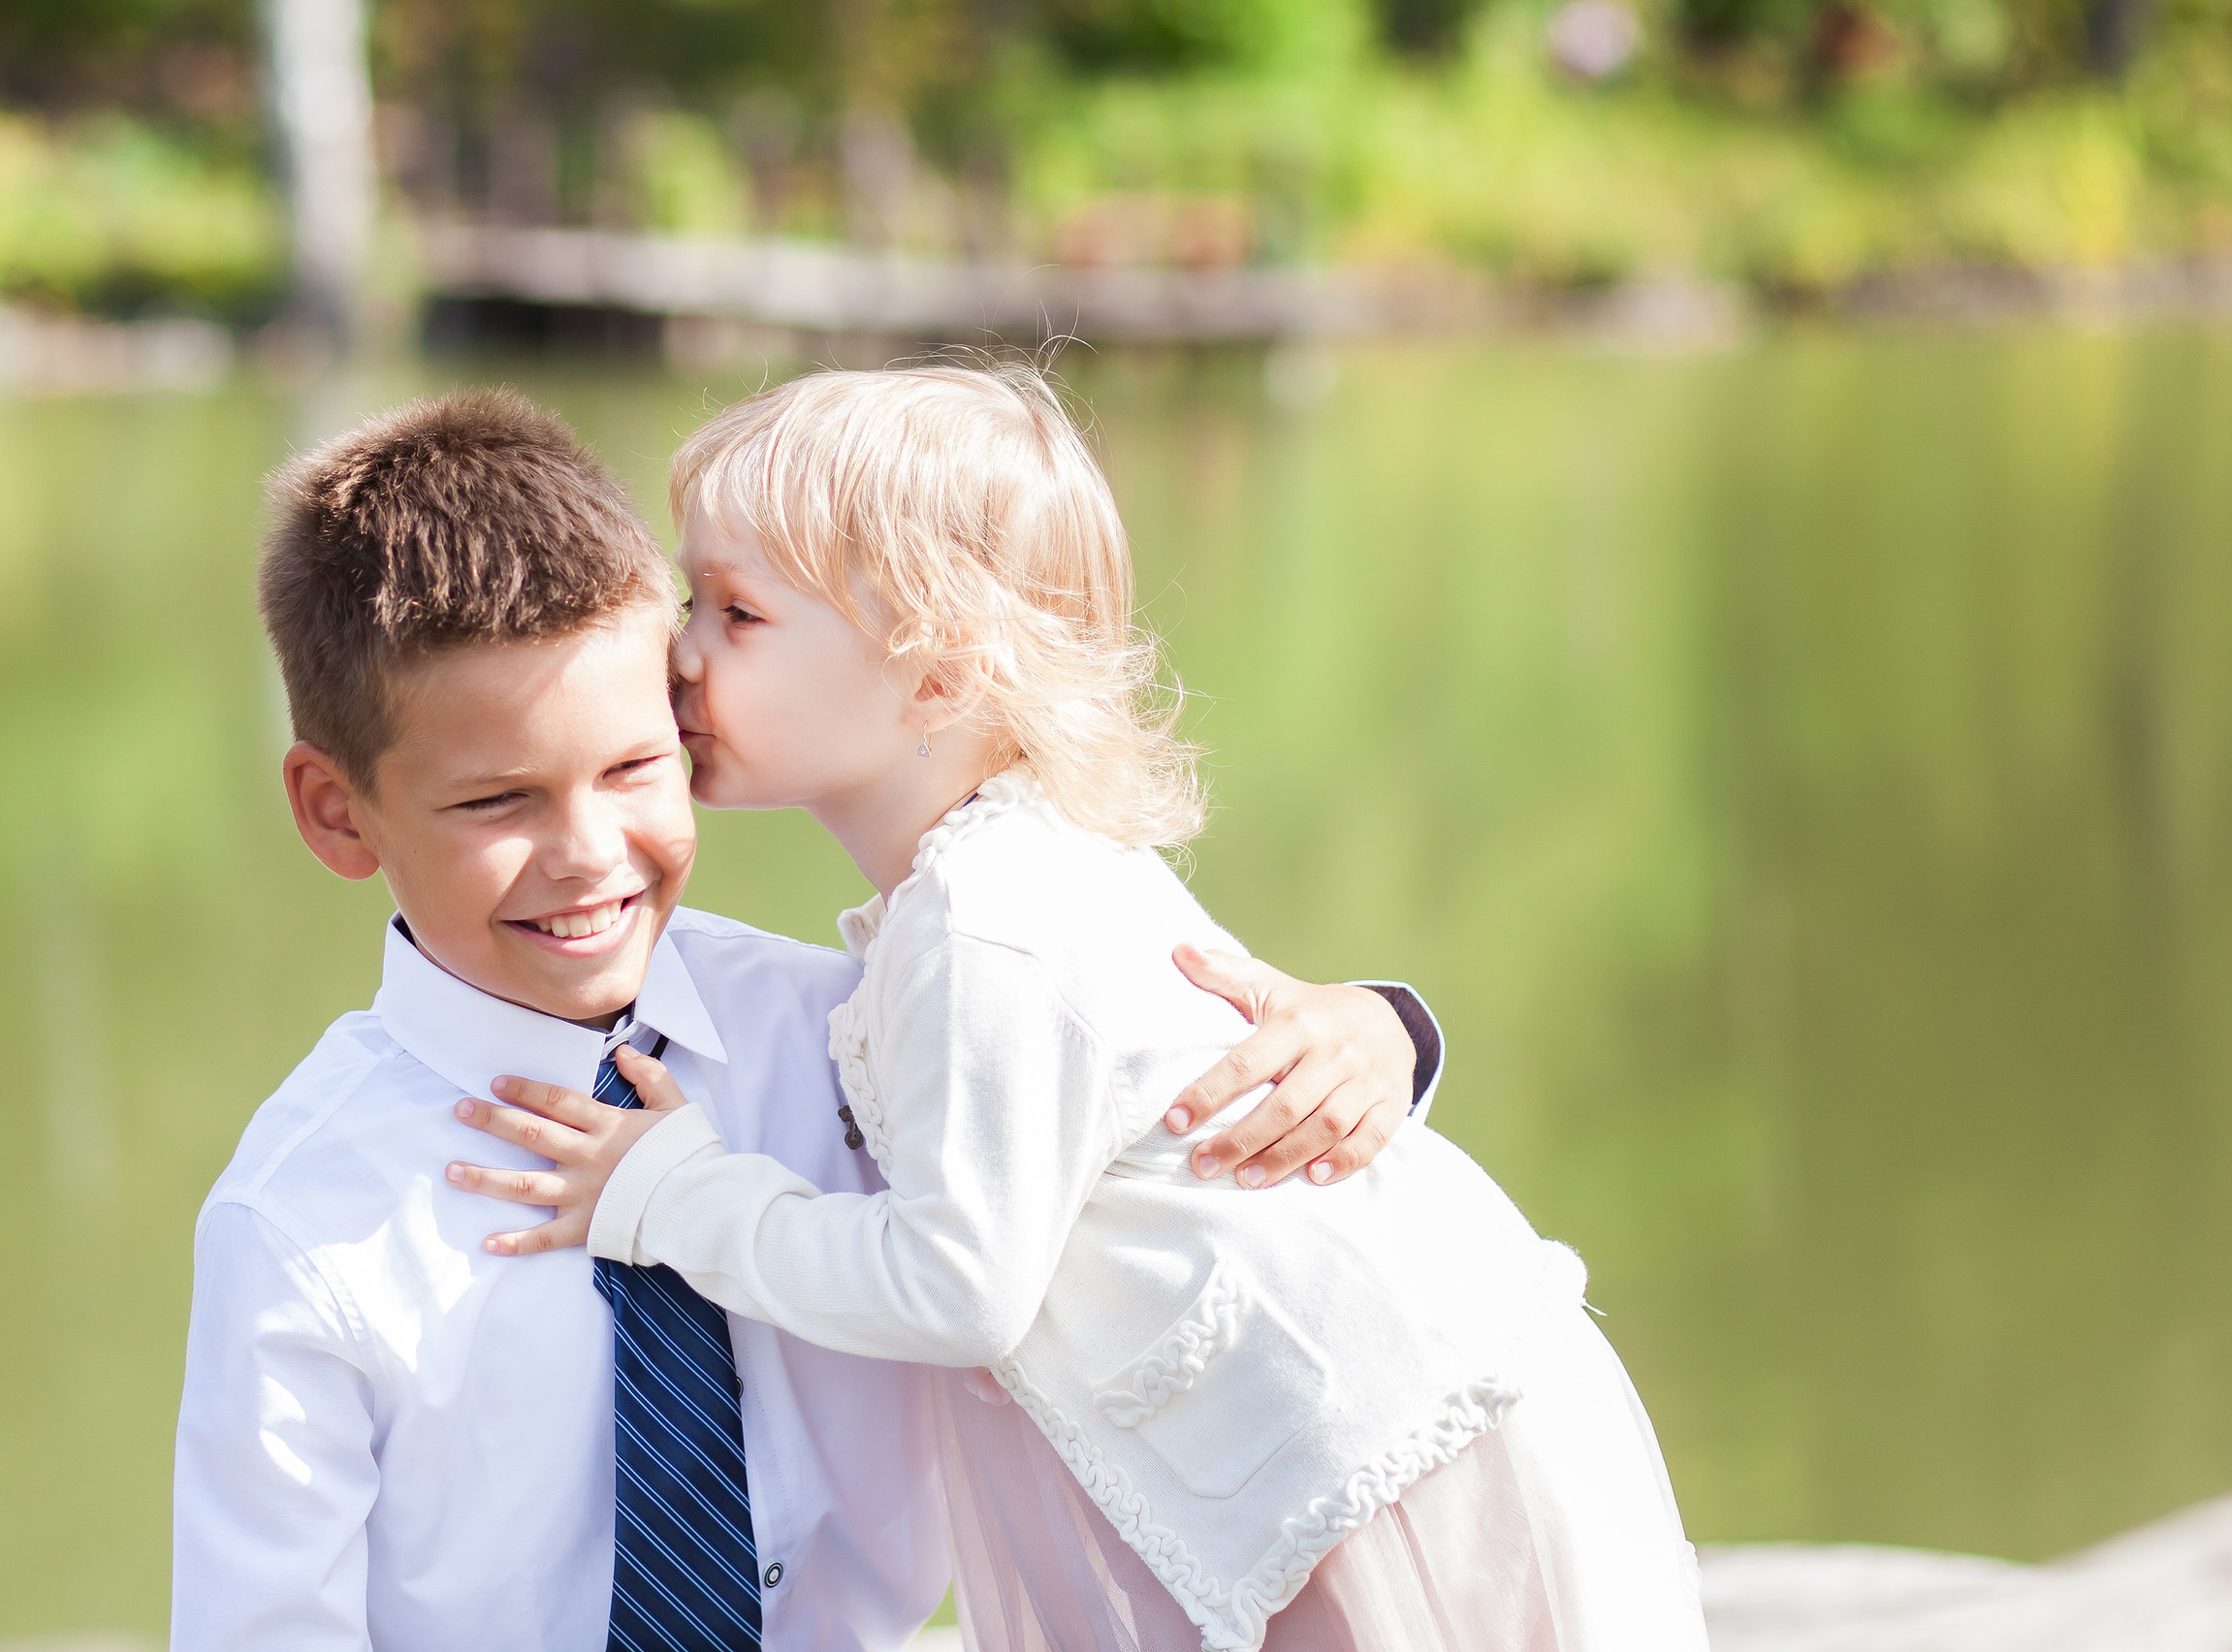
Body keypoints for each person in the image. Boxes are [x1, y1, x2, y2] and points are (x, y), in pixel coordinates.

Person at [451, 365, 1710, 1651]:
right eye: (688, 599)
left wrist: (681, 1198)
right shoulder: (986, 889)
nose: (679, 653)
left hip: (1392, 1468)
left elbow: (956, 1289)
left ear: (935, 678)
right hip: (1349, 1454)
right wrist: (1387, 1022)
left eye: (736, 612)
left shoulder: (990, 921)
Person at [170, 388, 1446, 1651]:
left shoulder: (860, 1028)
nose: (588, 853)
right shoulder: (301, 1224)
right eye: (499, 802)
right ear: (339, 814)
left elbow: (1138, 1073)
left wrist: (1382, 1034)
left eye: (633, 766)